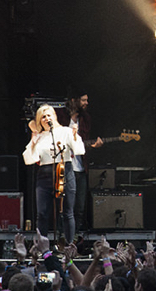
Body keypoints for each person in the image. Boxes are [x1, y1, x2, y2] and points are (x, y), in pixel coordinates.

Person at [23, 104, 85, 243]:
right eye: (43, 117)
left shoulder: (65, 131)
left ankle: (69, 246)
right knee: (42, 214)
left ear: (54, 117)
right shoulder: (39, 136)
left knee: (67, 211)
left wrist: (75, 137)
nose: (46, 118)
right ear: (39, 120)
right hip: (44, 173)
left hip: (64, 170)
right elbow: (29, 159)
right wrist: (33, 141)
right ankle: (42, 247)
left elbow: (79, 150)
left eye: (49, 115)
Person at [57, 92, 103, 235]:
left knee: (79, 208)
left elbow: (83, 144)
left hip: (80, 168)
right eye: (83, 100)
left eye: (87, 100)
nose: (86, 103)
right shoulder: (60, 116)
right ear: (74, 100)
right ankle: (61, 239)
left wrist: (93, 145)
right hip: (64, 167)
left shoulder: (86, 119)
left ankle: (73, 239)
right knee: (63, 207)